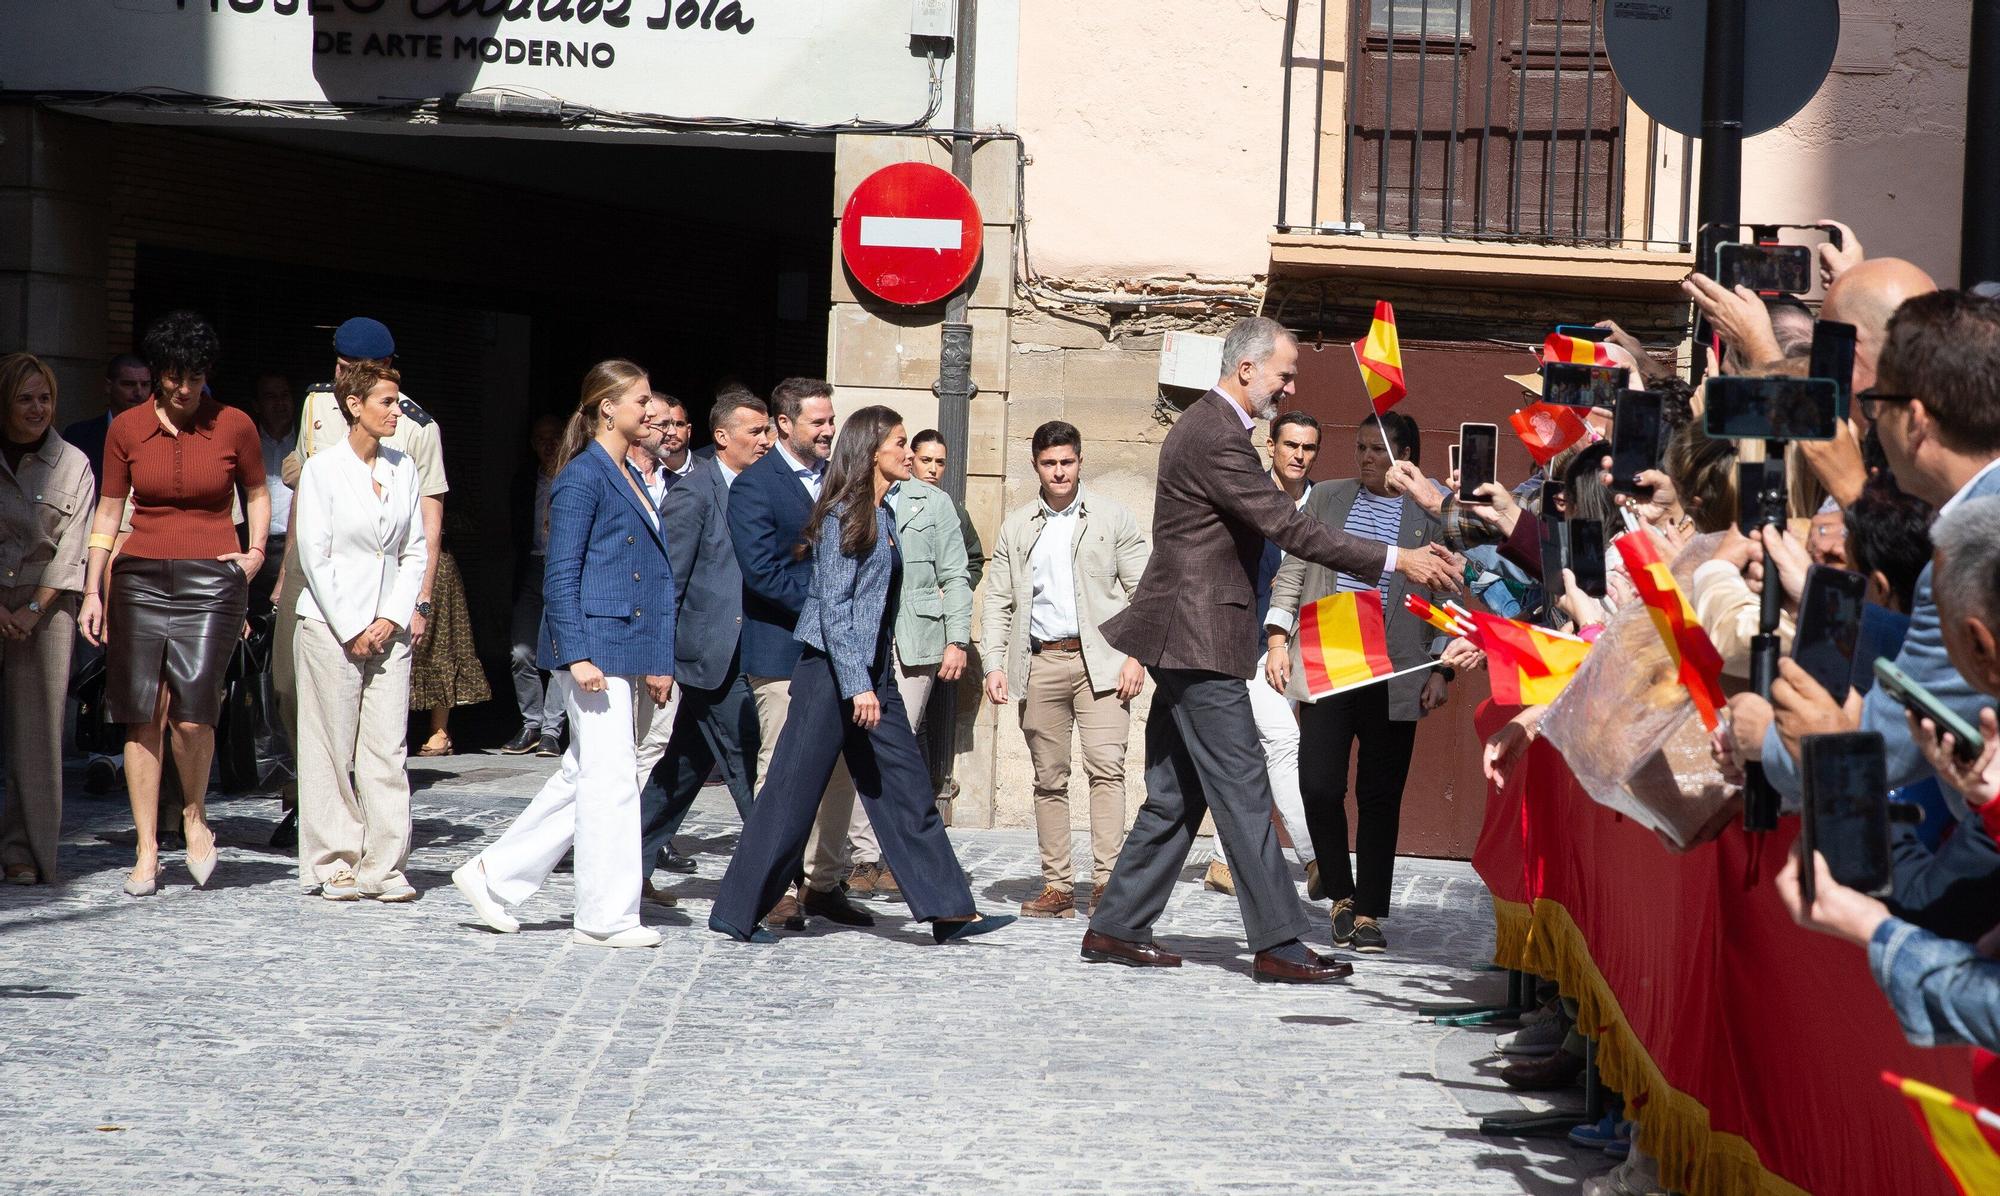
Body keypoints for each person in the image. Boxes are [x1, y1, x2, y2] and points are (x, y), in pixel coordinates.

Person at [1080, 316, 1461, 984]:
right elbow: (1287, 525)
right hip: (1198, 638)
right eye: (1284, 375)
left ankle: (1115, 926)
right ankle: (1280, 943)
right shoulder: (1215, 434)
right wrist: (1399, 558)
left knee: (1175, 793)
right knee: (1246, 792)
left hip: (1186, 634)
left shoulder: (1211, 427)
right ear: (1248, 368)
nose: (1288, 389)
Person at [708, 406, 1013, 946]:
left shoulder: (886, 513)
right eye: (899, 443)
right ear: (873, 450)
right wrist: (857, 684)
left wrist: (872, 680)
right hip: (831, 674)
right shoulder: (844, 513)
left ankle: (948, 909)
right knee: (791, 795)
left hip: (872, 673)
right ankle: (737, 911)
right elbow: (833, 608)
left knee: (906, 786)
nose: (907, 452)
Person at [451, 360, 676, 948]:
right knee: (610, 784)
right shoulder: (582, 476)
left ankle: (491, 875)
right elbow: (562, 573)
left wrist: (657, 656)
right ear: (609, 408)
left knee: (585, 775)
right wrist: (575, 653)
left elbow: (647, 577)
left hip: (623, 647)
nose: (652, 410)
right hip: (595, 651)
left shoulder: (627, 473)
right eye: (642, 400)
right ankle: (605, 917)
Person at [78, 311, 270, 897]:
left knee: (193, 709)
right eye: (174, 377)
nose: (186, 389)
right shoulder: (127, 429)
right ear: (159, 374)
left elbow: (258, 492)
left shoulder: (234, 423)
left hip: (212, 575)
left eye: (196, 377)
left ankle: (193, 811)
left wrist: (255, 552)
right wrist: (92, 589)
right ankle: (146, 844)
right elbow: (109, 510)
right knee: (143, 710)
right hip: (137, 575)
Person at [1264, 412, 1451, 955]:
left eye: (1379, 450)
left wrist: (1441, 667)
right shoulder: (1326, 499)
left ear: (1407, 457)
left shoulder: (1431, 513)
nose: (1367, 458)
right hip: (1331, 656)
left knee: (1379, 794)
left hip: (1397, 667)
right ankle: (1340, 895)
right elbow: (1294, 571)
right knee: (1318, 783)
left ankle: (1367, 910)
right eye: (1362, 447)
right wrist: (1279, 640)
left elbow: (1446, 594)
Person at [273, 318, 448, 846]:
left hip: (383, 587)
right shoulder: (315, 406)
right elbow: (306, 495)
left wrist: (415, 603)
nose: (339, 376)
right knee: (288, 688)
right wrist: (285, 572)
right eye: (340, 365)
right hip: (314, 570)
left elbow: (426, 529)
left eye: (352, 369)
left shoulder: (415, 428)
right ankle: (312, 804)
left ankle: (365, 831)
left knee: (380, 733)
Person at [980, 420, 1148, 919]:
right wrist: (993, 663)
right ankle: (1057, 887)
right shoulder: (1016, 525)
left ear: (1080, 461)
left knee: (1107, 770)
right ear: (1036, 464)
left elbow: (1145, 592)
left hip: (1102, 662)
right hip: (1040, 662)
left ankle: (1107, 883)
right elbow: (997, 601)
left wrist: (1136, 656)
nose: (1060, 472)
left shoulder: (1112, 518)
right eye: (1050, 463)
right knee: (1048, 777)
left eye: (1068, 462)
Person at [727, 376, 871, 930]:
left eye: (832, 420)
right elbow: (762, 571)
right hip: (784, 650)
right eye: (819, 422)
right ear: (784, 424)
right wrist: (828, 612)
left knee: (839, 770)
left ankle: (823, 883)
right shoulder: (754, 487)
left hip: (842, 652)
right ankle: (776, 885)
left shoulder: (842, 479)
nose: (829, 430)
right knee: (781, 770)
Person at [291, 360, 427, 902]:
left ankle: (384, 864)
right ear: (354, 406)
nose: (396, 412)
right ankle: (334, 863)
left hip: (388, 627)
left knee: (386, 749)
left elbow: (414, 550)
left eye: (397, 401)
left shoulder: (404, 468)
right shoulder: (323, 470)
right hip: (331, 624)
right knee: (329, 746)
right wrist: (353, 627)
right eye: (386, 403)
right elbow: (314, 556)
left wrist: (391, 617)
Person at [635, 391, 771, 890]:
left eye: (767, 431)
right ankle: (773, 883)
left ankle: (625, 866)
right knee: (748, 763)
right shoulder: (696, 491)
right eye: (755, 432)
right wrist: (659, 657)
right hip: (708, 654)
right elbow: (667, 581)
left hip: (751, 650)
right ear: (722, 437)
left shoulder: (761, 487)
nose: (766, 440)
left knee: (684, 766)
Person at [844, 459, 974, 898]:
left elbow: (956, 574)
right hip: (863, 634)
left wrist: (957, 639)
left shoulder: (933, 503)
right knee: (860, 741)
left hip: (916, 636)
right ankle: (865, 855)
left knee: (897, 743)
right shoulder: (852, 497)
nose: (908, 456)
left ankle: (899, 857)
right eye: (899, 445)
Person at [1205, 409, 1322, 899]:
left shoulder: (1324, 503)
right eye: (1290, 445)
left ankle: (1219, 857)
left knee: (1252, 752)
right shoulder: (1248, 497)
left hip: (1311, 645)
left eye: (1308, 447)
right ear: (1270, 445)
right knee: (1280, 744)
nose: (1298, 455)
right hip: (1249, 643)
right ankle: (1316, 857)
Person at [0, 354, 93, 883]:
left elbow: (73, 547)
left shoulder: (73, 463)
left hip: (47, 604)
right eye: (25, 398)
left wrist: (32, 610)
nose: (38, 408)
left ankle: (26, 852)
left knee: (37, 738)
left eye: (45, 398)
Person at [503, 414, 566, 756]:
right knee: (521, 651)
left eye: (554, 436)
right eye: (540, 438)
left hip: (564, 570)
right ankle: (531, 723)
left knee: (559, 655)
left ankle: (552, 731)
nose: (548, 444)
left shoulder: (574, 476)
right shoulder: (525, 480)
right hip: (531, 568)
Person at [910, 428, 985, 589]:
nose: (933, 469)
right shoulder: (893, 502)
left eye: (940, 462)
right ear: (911, 460)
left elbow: (975, 560)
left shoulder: (956, 512)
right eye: (925, 460)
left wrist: (954, 591)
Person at [60, 353, 150, 484]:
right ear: (109, 386)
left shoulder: (162, 435)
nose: (139, 393)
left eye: (145, 384)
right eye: (129, 384)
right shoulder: (78, 436)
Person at [655, 393, 695, 491]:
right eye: (664, 425)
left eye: (679, 424)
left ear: (688, 430)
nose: (672, 432)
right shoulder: (645, 475)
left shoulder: (710, 469)